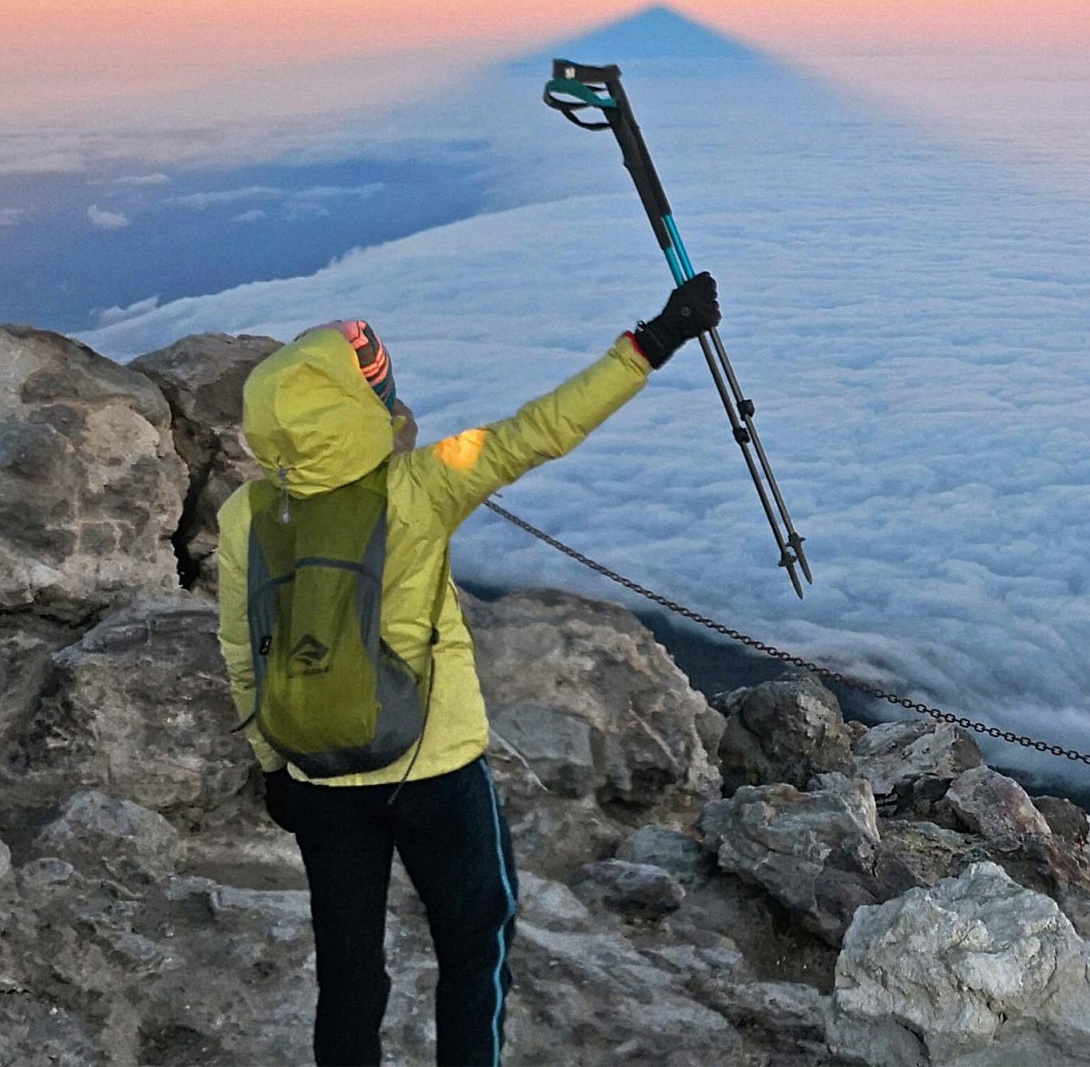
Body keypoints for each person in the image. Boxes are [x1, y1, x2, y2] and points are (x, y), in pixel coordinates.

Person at [216, 275, 719, 1067]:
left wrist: (273, 764)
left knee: (348, 972)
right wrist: (651, 343)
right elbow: (537, 432)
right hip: (435, 767)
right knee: (474, 945)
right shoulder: (423, 485)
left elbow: (242, 648)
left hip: (316, 775)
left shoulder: (244, 515)